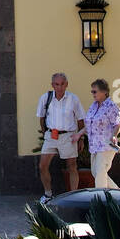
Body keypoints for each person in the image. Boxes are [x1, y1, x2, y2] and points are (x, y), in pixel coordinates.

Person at [36, 72, 85, 203]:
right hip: (51, 135)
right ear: (52, 85)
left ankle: (73, 196)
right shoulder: (45, 98)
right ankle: (48, 194)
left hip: (68, 135)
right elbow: (41, 118)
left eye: (62, 84)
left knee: (72, 166)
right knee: (42, 165)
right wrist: (45, 134)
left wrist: (81, 138)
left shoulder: (73, 99)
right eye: (57, 84)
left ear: (66, 84)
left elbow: (81, 120)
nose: (60, 87)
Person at [82, 78, 120, 189]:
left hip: (106, 145)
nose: (92, 94)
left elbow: (118, 124)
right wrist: (78, 134)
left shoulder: (111, 106)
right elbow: (89, 124)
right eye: (92, 91)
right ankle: (118, 193)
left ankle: (102, 200)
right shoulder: (93, 106)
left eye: (95, 91)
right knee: (96, 173)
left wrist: (114, 135)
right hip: (94, 146)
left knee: (100, 173)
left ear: (104, 92)